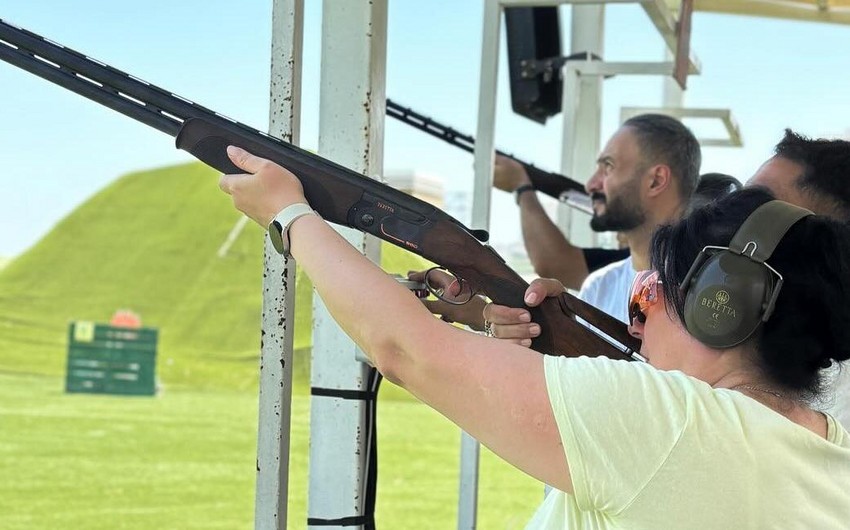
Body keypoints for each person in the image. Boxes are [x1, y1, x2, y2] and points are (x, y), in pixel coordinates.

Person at [219, 146, 850, 528]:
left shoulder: (676, 427)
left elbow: (402, 348)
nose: (638, 312)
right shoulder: (828, 448)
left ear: (725, 310)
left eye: (658, 291)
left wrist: (289, 213)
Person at [413, 114, 701, 336]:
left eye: (608, 167)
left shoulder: (703, 289)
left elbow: (555, 263)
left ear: (656, 180)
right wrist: (482, 313)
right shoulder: (600, 285)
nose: (591, 184)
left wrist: (522, 189)